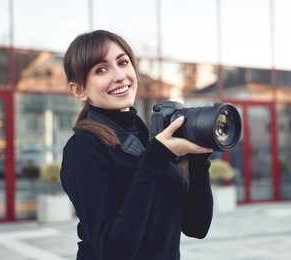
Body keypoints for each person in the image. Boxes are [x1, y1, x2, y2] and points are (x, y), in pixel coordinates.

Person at [60, 29, 214, 260]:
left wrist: (199, 160)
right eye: (101, 69)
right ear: (79, 90)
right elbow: (114, 252)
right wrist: (153, 160)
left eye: (123, 62)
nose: (120, 75)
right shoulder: (83, 147)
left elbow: (196, 227)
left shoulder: (149, 138)